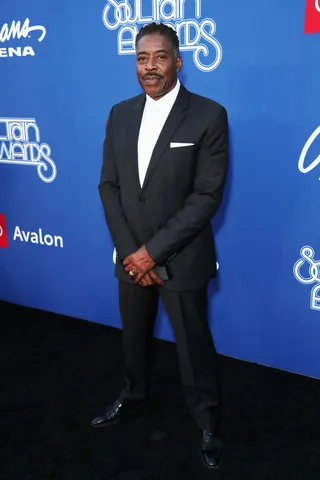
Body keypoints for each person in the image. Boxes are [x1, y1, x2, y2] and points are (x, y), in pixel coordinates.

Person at [93, 22, 229, 470]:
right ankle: (133, 393)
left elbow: (206, 196)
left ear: (178, 61)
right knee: (133, 338)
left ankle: (207, 420)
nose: (150, 67)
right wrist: (132, 251)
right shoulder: (119, 112)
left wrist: (154, 252)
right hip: (129, 255)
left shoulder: (208, 115)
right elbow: (108, 187)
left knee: (193, 344)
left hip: (183, 256)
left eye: (160, 57)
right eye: (142, 58)